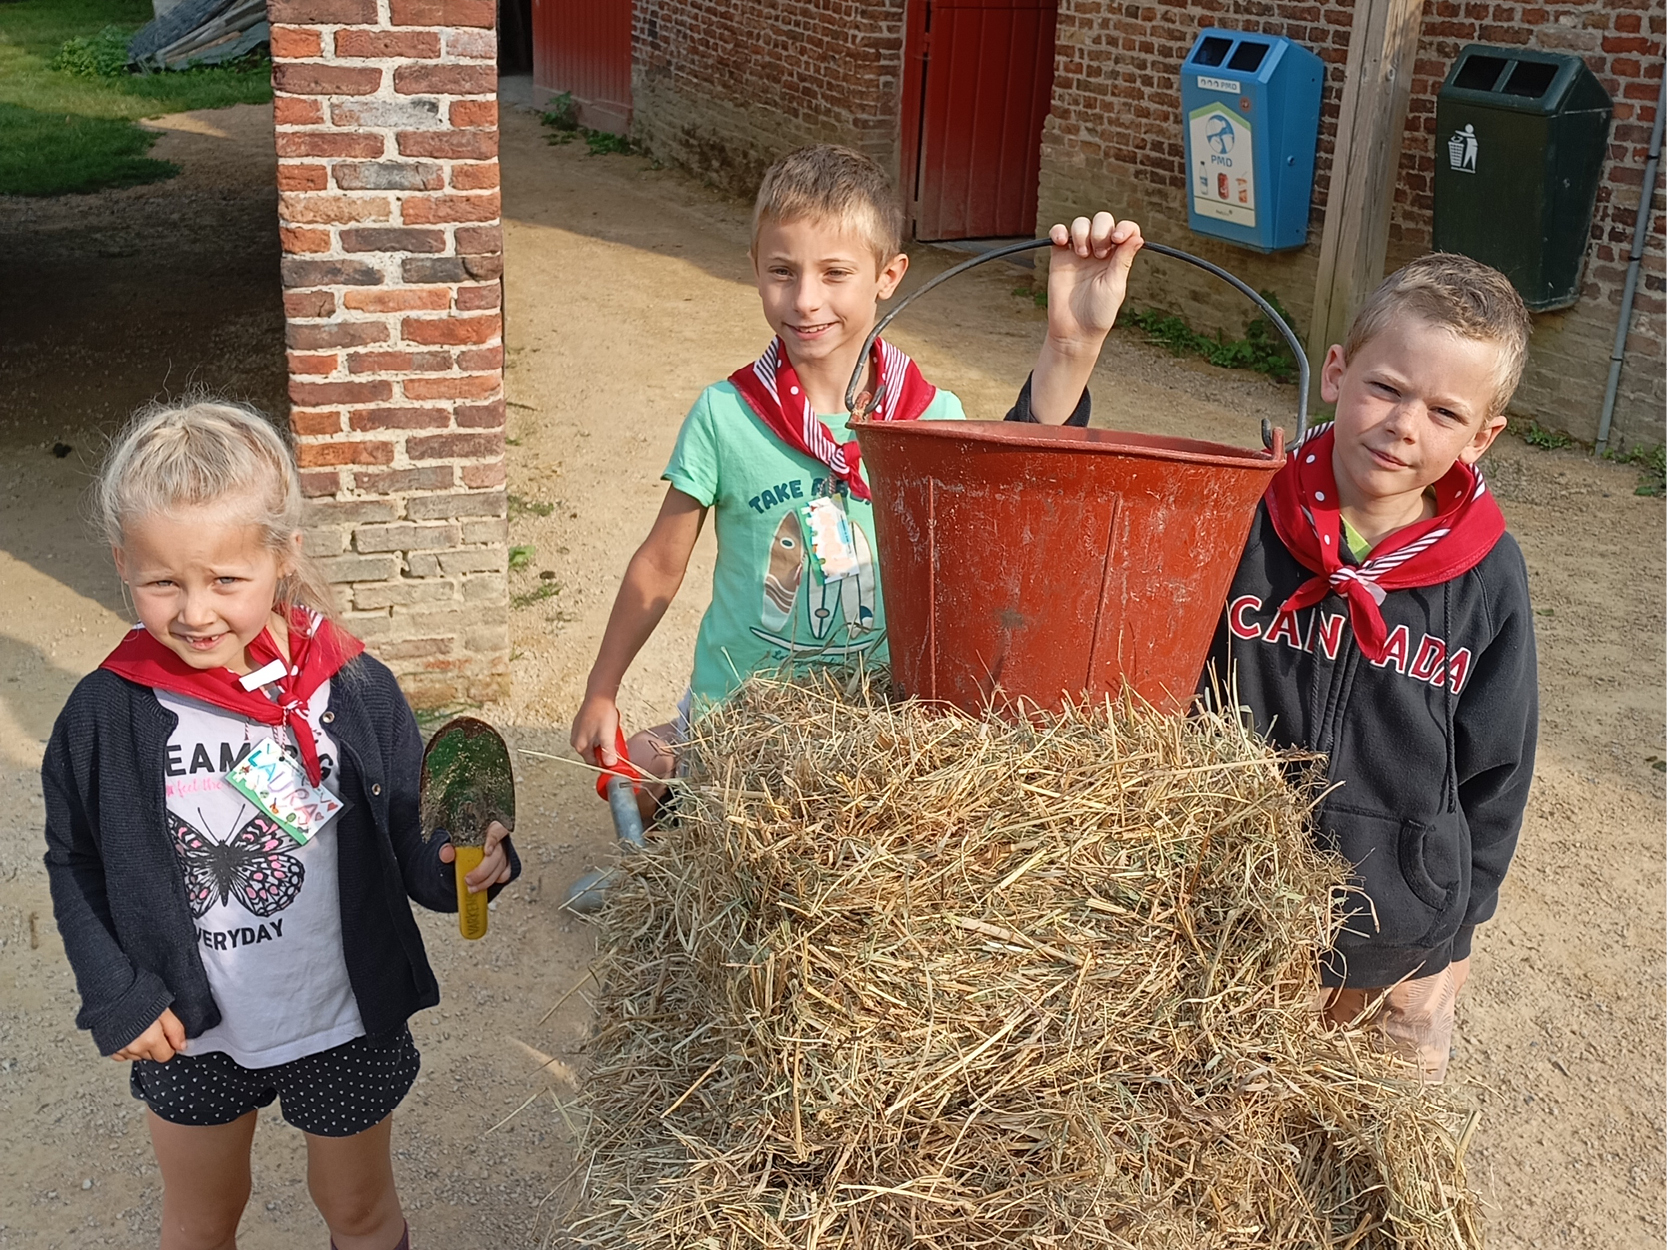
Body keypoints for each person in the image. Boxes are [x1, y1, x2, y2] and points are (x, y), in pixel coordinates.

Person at [42, 401, 520, 1250]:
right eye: (163, 583)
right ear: (123, 563)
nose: (196, 613)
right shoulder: (106, 713)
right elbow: (74, 857)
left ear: (283, 555)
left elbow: (412, 829)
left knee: (360, 1214)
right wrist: (118, 993)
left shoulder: (353, 685)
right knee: (200, 1224)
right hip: (191, 1030)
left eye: (226, 580)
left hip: (338, 1017)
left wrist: (462, 865)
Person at [570, 143, 1144, 808]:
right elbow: (659, 564)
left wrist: (1071, 346)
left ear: (887, 275)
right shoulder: (726, 413)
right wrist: (602, 688)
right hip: (741, 722)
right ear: (754, 267)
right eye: (782, 271)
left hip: (875, 727)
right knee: (637, 774)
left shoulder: (929, 417)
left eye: (835, 273)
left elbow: (1019, 499)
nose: (805, 300)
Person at [1203, 253, 1538, 1081]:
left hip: (1396, 939)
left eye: (1444, 411)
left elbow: (1497, 767)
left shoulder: (1487, 574)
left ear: (1481, 437)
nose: (1403, 426)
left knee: (1367, 1130)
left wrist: (1456, 936)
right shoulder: (1243, 515)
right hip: (1224, 920)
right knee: (1220, 1115)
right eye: (1385, 388)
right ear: (1335, 372)